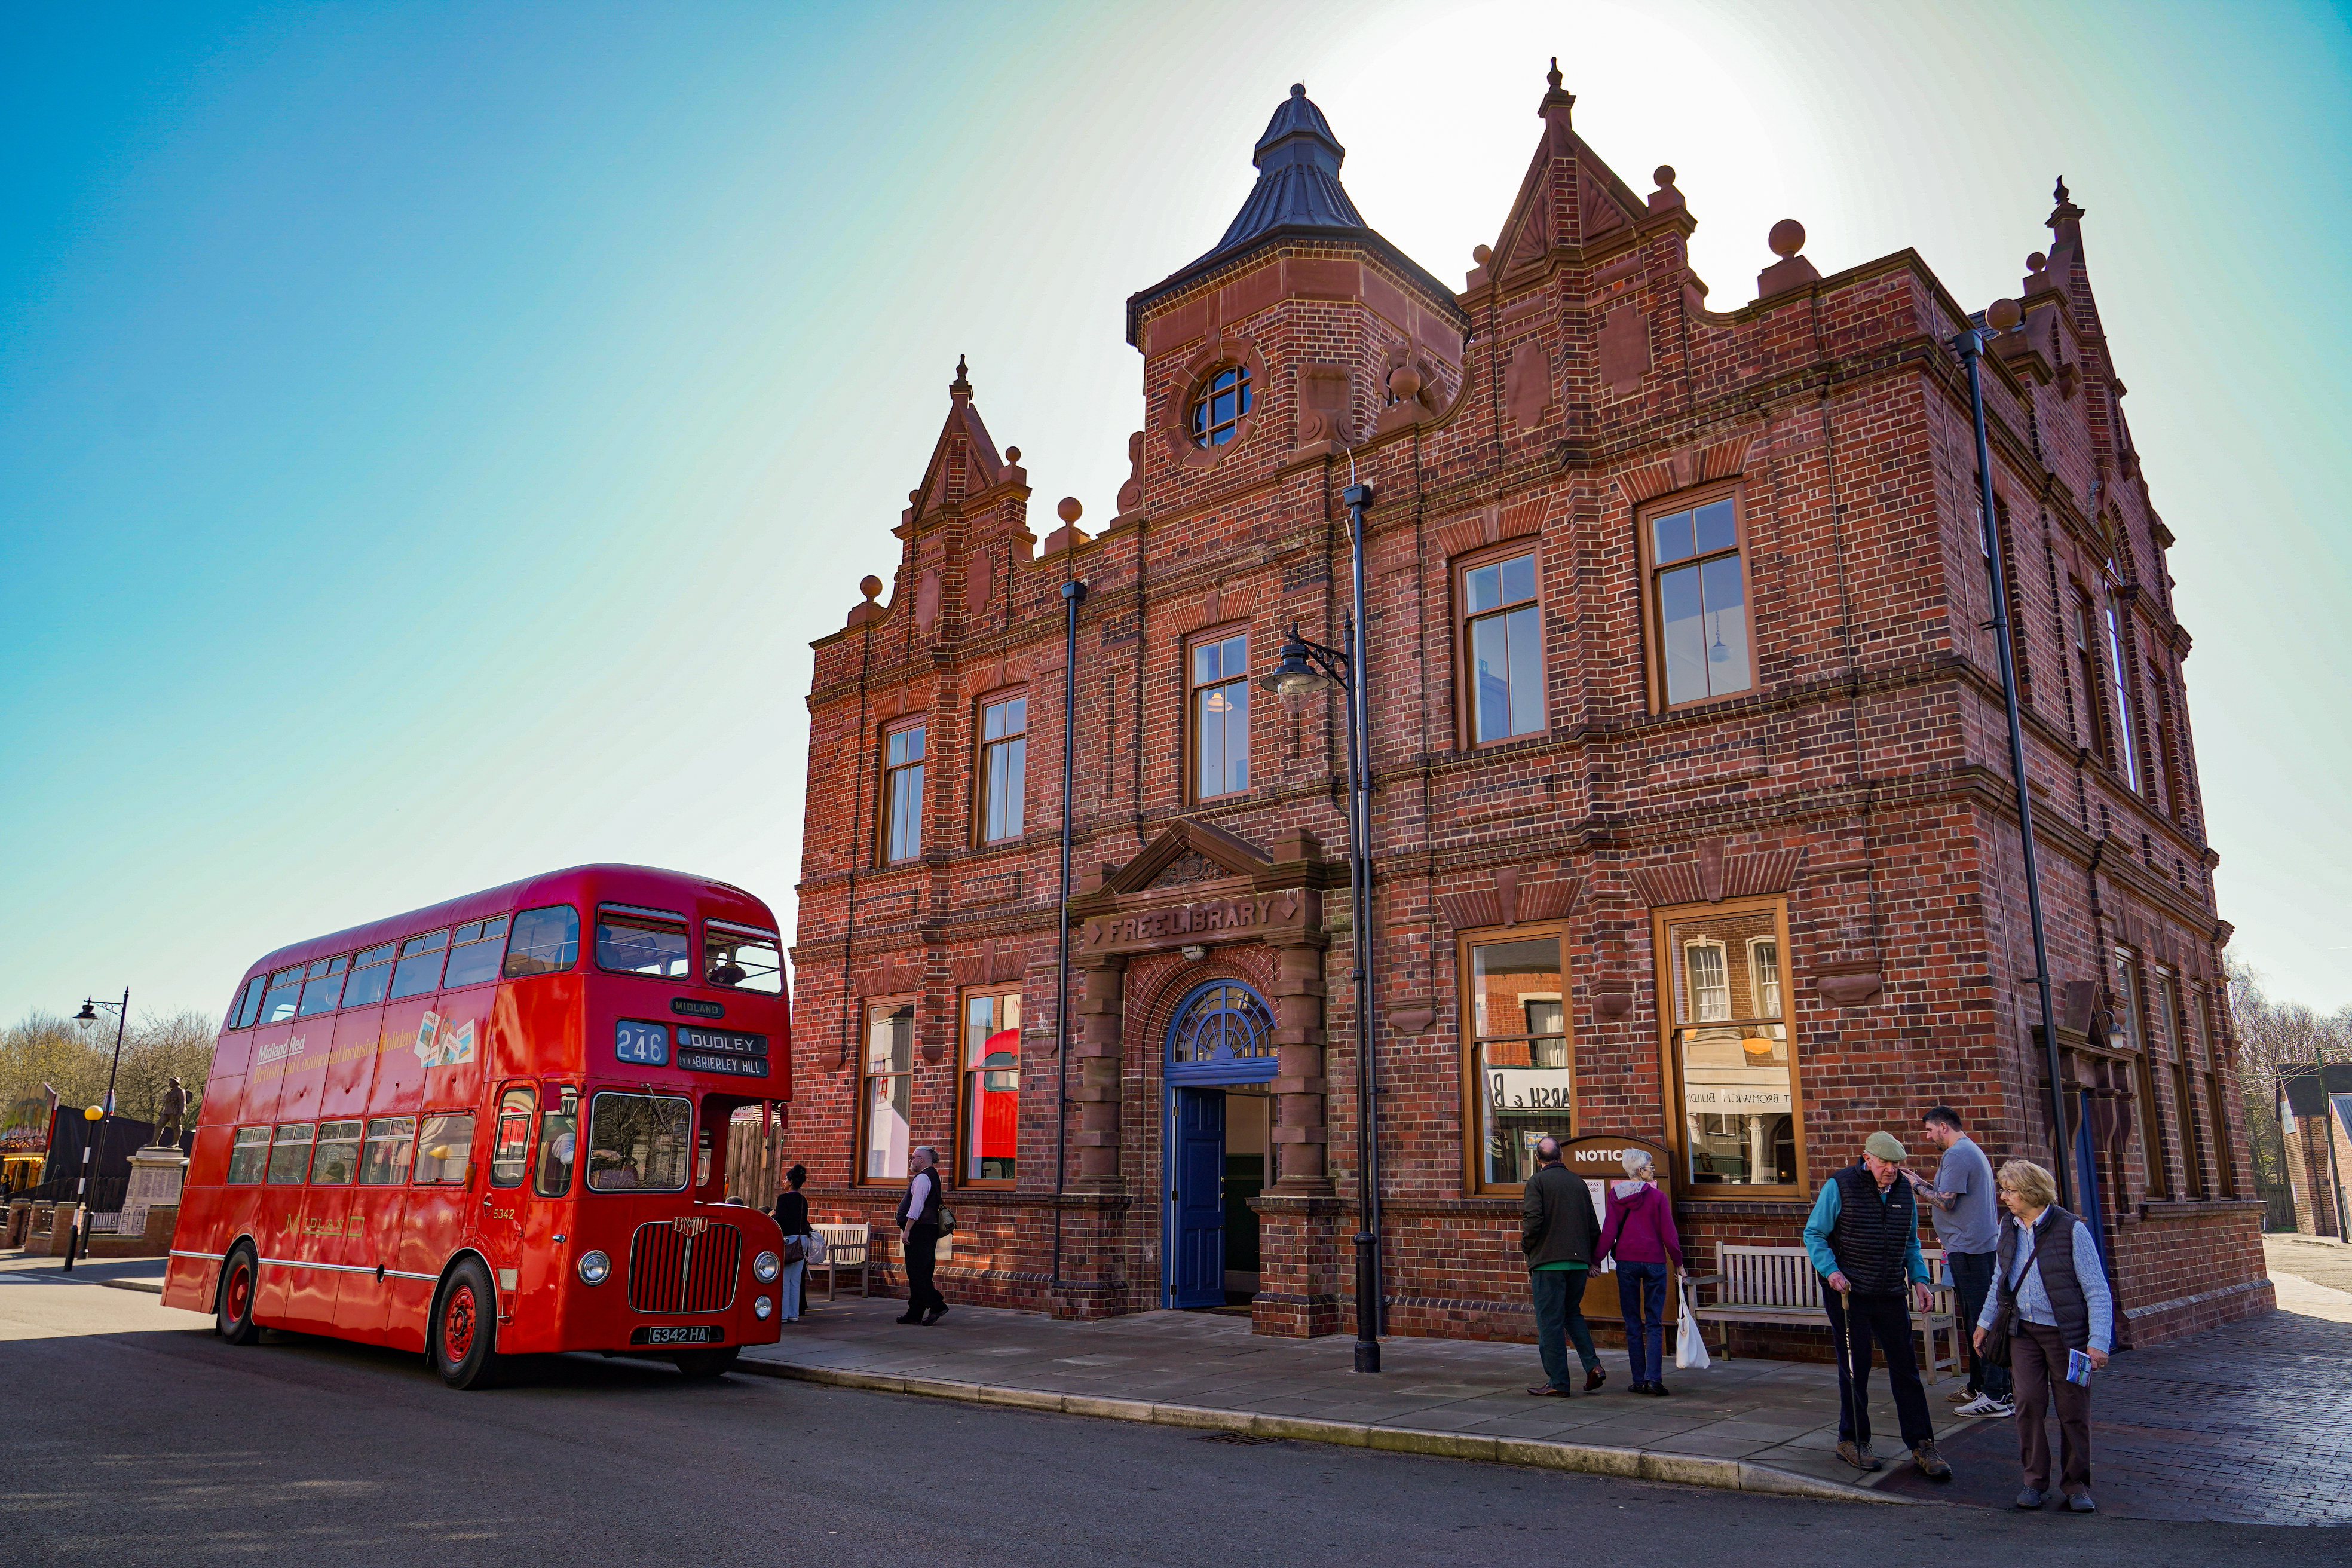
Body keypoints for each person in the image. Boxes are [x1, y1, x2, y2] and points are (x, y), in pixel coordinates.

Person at [1802, 1131, 1951, 1480]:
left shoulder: (1904, 1192)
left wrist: (1919, 1281)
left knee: (1906, 1369)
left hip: (1889, 1291)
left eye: (1897, 1164)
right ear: (1867, 1158)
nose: (1891, 1170)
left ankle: (1922, 1443)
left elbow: (1910, 1242)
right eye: (1885, 1163)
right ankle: (1852, 1440)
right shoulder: (1840, 1186)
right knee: (1858, 1368)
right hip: (1848, 1292)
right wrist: (1831, 1270)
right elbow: (1815, 1234)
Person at [1976, 1159, 2112, 1513]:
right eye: (2003, 1189)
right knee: (2028, 1404)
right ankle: (2034, 1481)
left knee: (2073, 1409)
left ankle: (2077, 1485)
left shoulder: (2072, 1230)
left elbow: (2097, 1290)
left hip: (2069, 1338)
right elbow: (2000, 1282)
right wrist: (1985, 1322)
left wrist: (2098, 1341)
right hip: (2023, 1333)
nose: (2004, 1196)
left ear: (2032, 1192)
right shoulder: (2009, 1226)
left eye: (2010, 1190)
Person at [1908, 1105, 2013, 1416]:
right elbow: (1947, 1196)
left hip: (1971, 1251)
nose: (1928, 1137)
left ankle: (1996, 1394)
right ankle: (1980, 1387)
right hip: (1969, 1248)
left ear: (1944, 1127)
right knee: (1974, 1320)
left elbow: (1946, 1201)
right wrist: (1922, 1182)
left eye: (1929, 1130)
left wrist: (1915, 1186)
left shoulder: (1957, 1154)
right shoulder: (1969, 1151)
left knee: (1983, 1321)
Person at [1520, 1135, 1605, 1397]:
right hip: (1578, 1264)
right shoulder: (1578, 1183)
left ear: (1537, 1159)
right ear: (1561, 1156)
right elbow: (1593, 1225)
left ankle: (1558, 1382)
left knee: (1550, 1323)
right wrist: (1592, 1260)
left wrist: (1527, 1247)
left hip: (1548, 1265)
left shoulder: (1537, 1182)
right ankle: (1594, 1366)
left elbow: (1533, 1220)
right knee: (1572, 1315)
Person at [1596, 1147, 1683, 1395]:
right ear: (1640, 1170)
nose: (1653, 1170)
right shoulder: (1658, 1197)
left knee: (1632, 1322)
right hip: (1655, 1262)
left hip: (1626, 1263)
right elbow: (1670, 1235)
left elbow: (1609, 1232)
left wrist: (1596, 1260)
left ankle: (1638, 1380)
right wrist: (1679, 1263)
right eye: (1651, 1167)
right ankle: (1654, 1379)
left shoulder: (1615, 1195)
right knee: (1654, 1322)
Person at [896, 1146, 948, 1325]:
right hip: (926, 1230)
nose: (911, 1161)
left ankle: (937, 1305)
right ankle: (915, 1312)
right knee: (922, 1271)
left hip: (920, 1230)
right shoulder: (931, 1176)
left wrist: (908, 1229)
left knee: (916, 1272)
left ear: (921, 1159)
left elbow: (916, 1207)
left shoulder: (924, 1177)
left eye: (913, 1157)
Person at [772, 1163, 812, 1322]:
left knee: (784, 1279)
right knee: (796, 1280)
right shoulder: (803, 1200)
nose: (783, 1181)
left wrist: (772, 1215)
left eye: (785, 1179)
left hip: (789, 1240)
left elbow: (781, 1221)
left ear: (790, 1181)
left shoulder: (783, 1198)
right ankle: (793, 1314)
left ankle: (782, 1315)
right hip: (803, 1240)